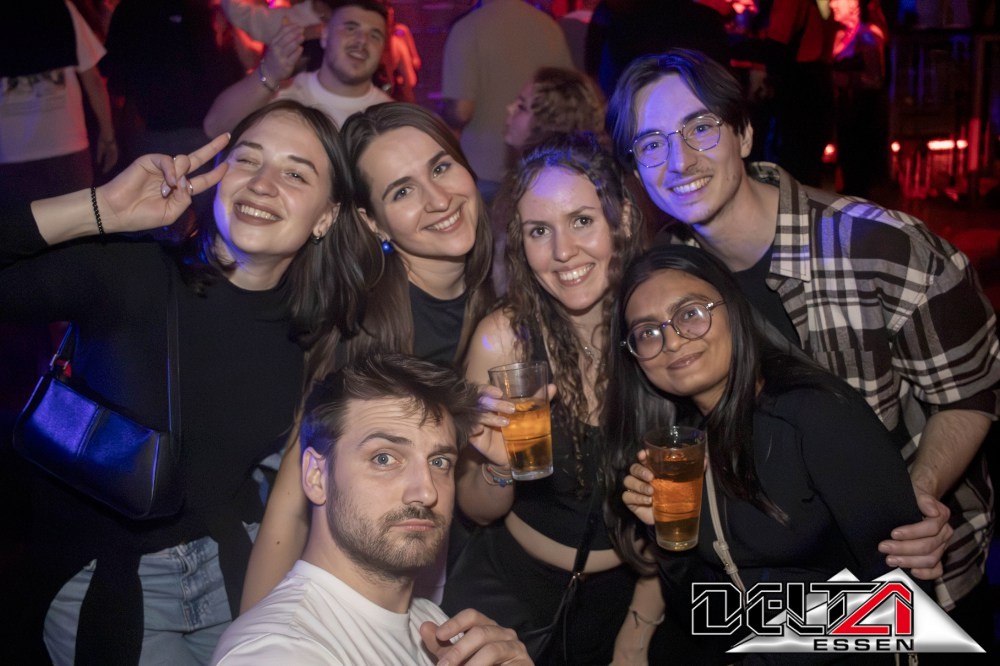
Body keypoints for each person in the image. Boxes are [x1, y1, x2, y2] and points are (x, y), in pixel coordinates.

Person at [606, 48, 1000, 646]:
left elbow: (971, 393)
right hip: (780, 597)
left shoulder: (878, 246)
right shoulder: (671, 282)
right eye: (652, 143)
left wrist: (913, 501)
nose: (680, 160)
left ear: (743, 134)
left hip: (912, 587)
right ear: (637, 170)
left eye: (700, 128)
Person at [0, 99, 351, 665]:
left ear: (325, 217)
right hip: (110, 579)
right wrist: (98, 209)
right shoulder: (132, 271)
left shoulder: (317, 329)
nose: (262, 184)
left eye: (295, 174)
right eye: (248, 160)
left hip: (232, 564)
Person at [606, 244, 925, 662]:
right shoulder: (683, 444)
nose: (672, 341)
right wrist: (665, 535)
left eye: (690, 313)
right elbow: (703, 614)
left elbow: (904, 601)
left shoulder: (816, 414)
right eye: (647, 332)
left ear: (734, 307)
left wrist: (768, 649)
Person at [241, 101, 496, 610]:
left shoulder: (499, 289)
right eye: (402, 191)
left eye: (440, 168)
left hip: (443, 569)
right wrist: (253, 630)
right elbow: (295, 493)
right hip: (358, 578)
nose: (438, 199)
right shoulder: (369, 329)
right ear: (373, 223)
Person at [443, 133, 669, 664]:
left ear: (623, 220)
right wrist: (498, 468)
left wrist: (639, 629)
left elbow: (682, 508)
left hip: (627, 603)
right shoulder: (504, 341)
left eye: (582, 221)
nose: (563, 251)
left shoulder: (663, 336)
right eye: (539, 231)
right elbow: (475, 509)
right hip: (507, 595)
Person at [211, 354, 531, 665]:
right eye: (384, 458)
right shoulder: (277, 651)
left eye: (439, 462)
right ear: (316, 477)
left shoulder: (434, 625)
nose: (426, 491)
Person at [441, 0, 573, 200]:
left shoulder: (467, 28)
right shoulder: (548, 27)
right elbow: (568, 99)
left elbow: (461, 111)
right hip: (541, 167)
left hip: (484, 165)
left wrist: (444, 112)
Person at [204, 0, 391, 136]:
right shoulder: (284, 95)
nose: (361, 41)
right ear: (324, 34)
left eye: (374, 35)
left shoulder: (390, 117)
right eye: (350, 28)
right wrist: (270, 72)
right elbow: (215, 127)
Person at [1, 0, 117, 206]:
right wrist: (108, 137)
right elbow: (93, 80)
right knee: (77, 221)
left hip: (10, 151)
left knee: (19, 225)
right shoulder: (61, 8)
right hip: (66, 146)